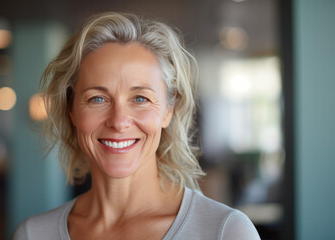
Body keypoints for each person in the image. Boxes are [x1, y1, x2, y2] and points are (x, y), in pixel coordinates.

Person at [13, 12, 260, 240]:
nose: (119, 121)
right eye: (97, 99)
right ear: (72, 111)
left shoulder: (226, 231)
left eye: (140, 98)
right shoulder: (33, 234)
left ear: (168, 111)